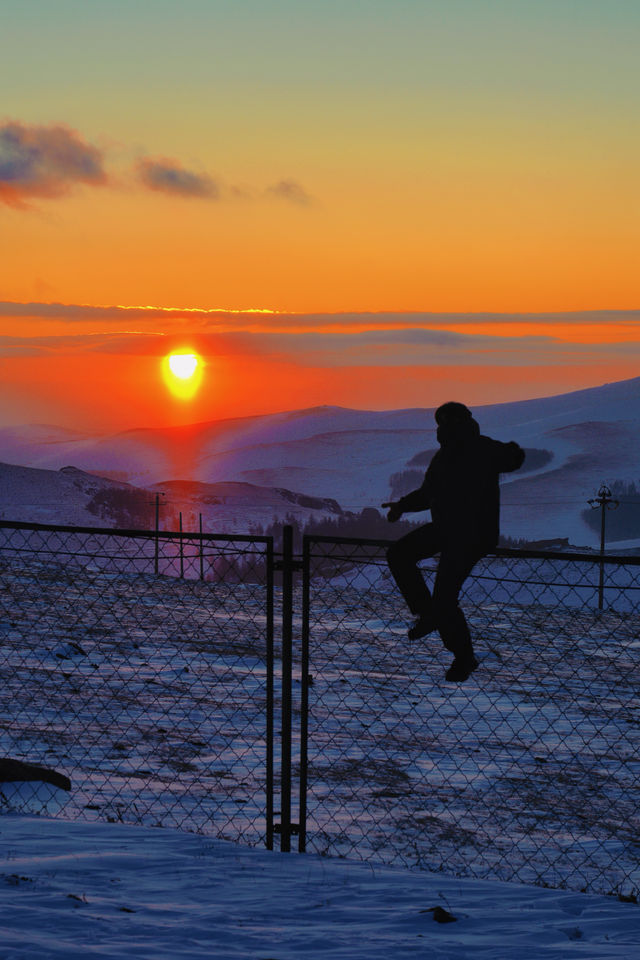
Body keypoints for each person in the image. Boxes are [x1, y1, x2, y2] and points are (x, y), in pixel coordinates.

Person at [382, 401, 524, 682]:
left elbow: (512, 460)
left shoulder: (476, 449)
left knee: (441, 595)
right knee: (401, 557)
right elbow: (428, 494)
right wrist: (401, 506)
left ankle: (462, 655)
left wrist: (402, 506)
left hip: (470, 536)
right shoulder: (457, 453)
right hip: (451, 530)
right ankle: (429, 615)